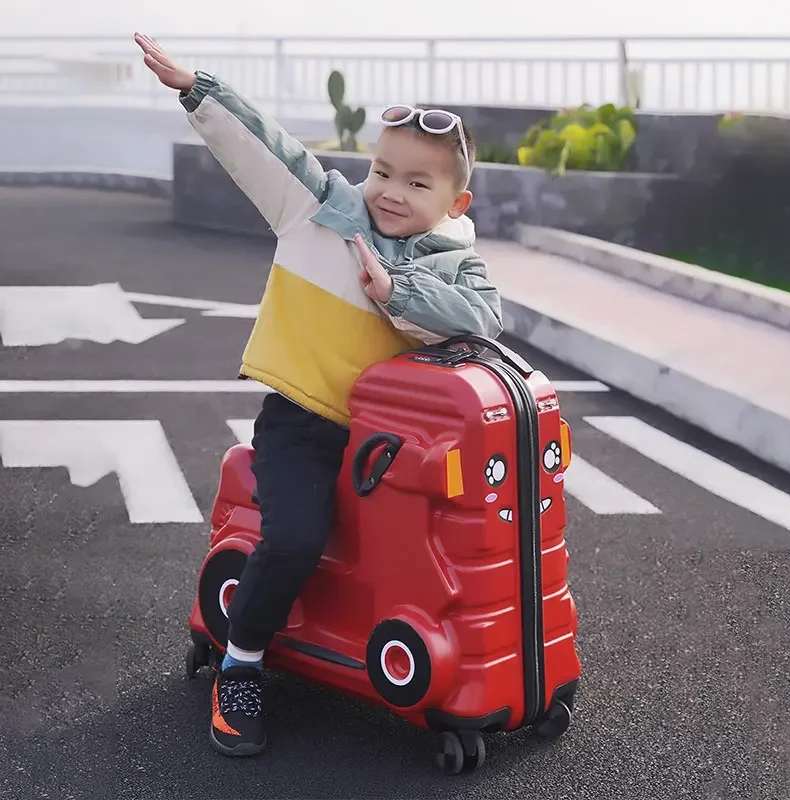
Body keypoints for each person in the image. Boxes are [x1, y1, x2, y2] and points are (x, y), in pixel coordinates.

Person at [133, 32, 503, 757]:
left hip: (389, 445)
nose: (391, 192)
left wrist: (397, 292)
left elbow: (484, 321)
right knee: (297, 537)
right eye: (383, 171)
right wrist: (199, 89)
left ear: (456, 200)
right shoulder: (321, 211)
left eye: (417, 183)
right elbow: (266, 147)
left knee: (421, 559)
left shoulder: (462, 266)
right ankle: (240, 666)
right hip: (300, 424)